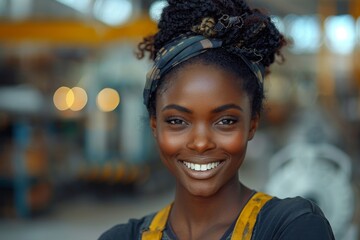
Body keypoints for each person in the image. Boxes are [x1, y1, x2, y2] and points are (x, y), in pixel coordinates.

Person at [99, 0, 335, 239]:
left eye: (225, 121)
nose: (201, 143)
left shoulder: (292, 227)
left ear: (252, 123)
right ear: (154, 125)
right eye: (177, 121)